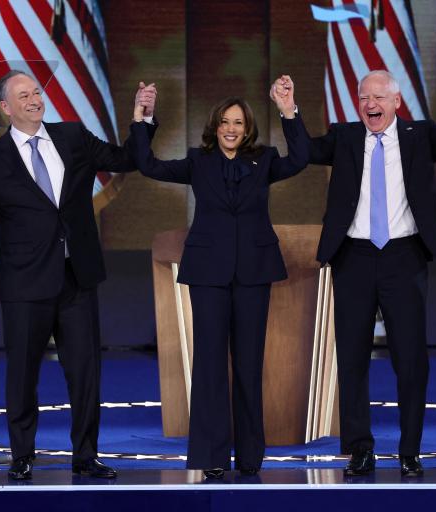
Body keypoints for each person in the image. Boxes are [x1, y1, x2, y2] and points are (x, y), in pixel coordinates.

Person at [272, 62, 436, 477]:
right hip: (352, 257)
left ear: (396, 101)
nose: (370, 104)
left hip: (403, 257)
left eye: (378, 97)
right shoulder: (345, 137)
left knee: (410, 359)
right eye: (364, 97)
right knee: (351, 357)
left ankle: (410, 450)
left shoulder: (419, 135)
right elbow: (305, 153)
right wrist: (288, 111)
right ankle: (360, 449)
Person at [0, 70, 157, 480]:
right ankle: (22, 455)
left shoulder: (73, 136)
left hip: (77, 275)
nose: (35, 99)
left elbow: (126, 159)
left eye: (37, 91)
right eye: (24, 95)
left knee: (85, 371)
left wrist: (142, 119)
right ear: (5, 107)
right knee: (22, 373)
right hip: (23, 282)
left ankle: (85, 455)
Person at [129, 75, 308, 479]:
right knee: (209, 364)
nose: (231, 129)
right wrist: (143, 118)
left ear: (248, 130)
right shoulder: (198, 161)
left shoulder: (264, 161)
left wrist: (288, 110)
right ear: (215, 126)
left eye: (239, 123)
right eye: (225, 122)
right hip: (208, 274)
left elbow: (301, 159)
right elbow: (148, 164)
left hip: (253, 274)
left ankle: (248, 457)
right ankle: (211, 456)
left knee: (249, 364)